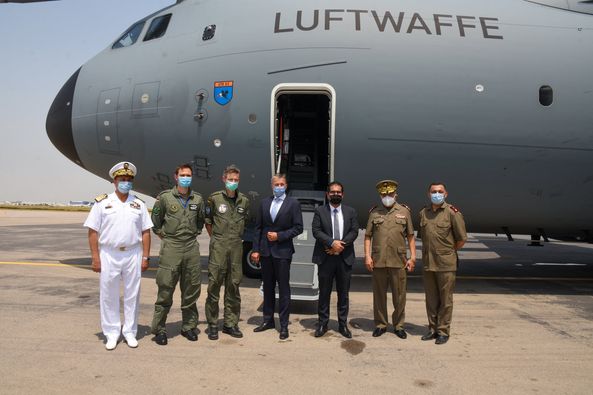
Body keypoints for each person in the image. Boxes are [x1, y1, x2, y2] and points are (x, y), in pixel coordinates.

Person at [84, 161, 152, 350]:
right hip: (109, 253)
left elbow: (146, 232)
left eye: (129, 180)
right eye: (122, 179)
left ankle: (130, 332)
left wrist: (146, 257)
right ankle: (112, 333)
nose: (126, 182)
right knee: (108, 295)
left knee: (132, 295)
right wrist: (95, 257)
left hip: (133, 253)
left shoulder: (138, 204)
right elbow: (92, 231)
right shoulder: (102, 202)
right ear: (114, 181)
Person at [150, 163, 205, 345]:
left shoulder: (197, 199)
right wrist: (168, 239)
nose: (185, 177)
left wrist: (188, 236)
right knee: (166, 289)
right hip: (171, 247)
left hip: (191, 247)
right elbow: (156, 223)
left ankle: (188, 327)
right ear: (176, 177)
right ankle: (159, 329)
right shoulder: (165, 198)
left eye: (188, 175)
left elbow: (199, 224)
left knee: (191, 289)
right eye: (182, 174)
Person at [250, 174, 303, 340]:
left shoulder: (293, 204)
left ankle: (284, 325)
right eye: (276, 184)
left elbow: (298, 228)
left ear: (286, 186)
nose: (279, 187)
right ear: (271, 186)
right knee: (268, 288)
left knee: (284, 289)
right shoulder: (265, 203)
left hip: (283, 253)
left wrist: (279, 236)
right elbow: (258, 228)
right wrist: (255, 249)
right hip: (265, 252)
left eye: (281, 184)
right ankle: (268, 320)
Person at [364, 180, 416, 339]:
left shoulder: (404, 212)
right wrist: (367, 256)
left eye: (390, 194)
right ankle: (381, 324)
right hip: (378, 260)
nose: (387, 197)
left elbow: (410, 236)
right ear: (380, 195)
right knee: (379, 295)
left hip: (398, 260)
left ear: (396, 194)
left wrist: (412, 257)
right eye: (384, 194)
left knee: (399, 295)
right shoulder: (374, 212)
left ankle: (399, 325)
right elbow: (367, 236)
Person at [204, 165, 250, 340]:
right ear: (224, 179)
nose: (233, 183)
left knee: (234, 287)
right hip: (219, 247)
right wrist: (217, 240)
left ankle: (230, 324)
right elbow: (208, 222)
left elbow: (244, 221)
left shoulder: (244, 201)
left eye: (236, 180)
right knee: (214, 285)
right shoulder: (214, 199)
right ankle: (213, 324)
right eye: (230, 179)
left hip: (237, 248)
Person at [419, 182, 467, 345]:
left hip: (446, 263)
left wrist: (446, 252)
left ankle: (443, 331)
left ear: (446, 194)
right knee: (431, 299)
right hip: (428, 263)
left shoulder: (452, 213)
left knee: (445, 299)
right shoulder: (424, 213)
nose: (437, 194)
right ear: (428, 194)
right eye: (434, 191)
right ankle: (432, 329)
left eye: (440, 191)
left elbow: (461, 239)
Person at [311, 181, 359, 338]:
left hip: (344, 257)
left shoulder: (350, 211)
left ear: (343, 194)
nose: (336, 194)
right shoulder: (320, 211)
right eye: (333, 192)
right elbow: (316, 231)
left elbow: (354, 231)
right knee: (324, 293)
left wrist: (340, 245)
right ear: (327, 194)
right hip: (325, 257)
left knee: (343, 294)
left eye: (338, 192)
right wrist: (332, 243)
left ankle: (342, 324)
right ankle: (323, 324)